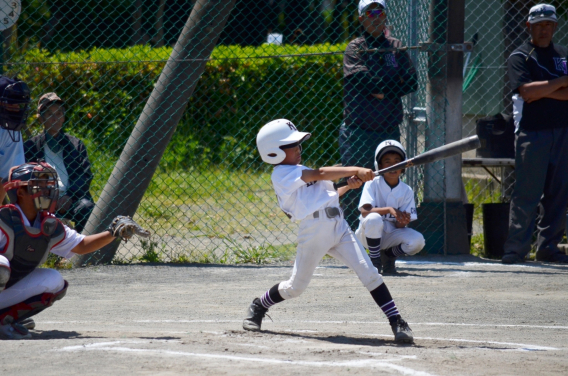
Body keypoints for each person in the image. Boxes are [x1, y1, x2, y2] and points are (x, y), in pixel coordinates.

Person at [242, 119, 414, 343]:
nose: (298, 149)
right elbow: (322, 173)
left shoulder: (299, 170)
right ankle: (259, 305)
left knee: (369, 271)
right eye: (292, 146)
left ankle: (396, 321)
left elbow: (326, 195)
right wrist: (356, 169)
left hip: (339, 226)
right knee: (295, 287)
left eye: (298, 145)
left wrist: (349, 185)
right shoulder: (281, 174)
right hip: (314, 232)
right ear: (274, 152)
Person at [0, 162, 150, 339]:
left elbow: (82, 245)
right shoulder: (5, 219)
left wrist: (112, 232)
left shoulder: (48, 224)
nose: (47, 191)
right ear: (20, 192)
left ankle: (5, 319)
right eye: (38, 186)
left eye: (48, 186)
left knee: (54, 280)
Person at [339, 0, 418, 228]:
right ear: (361, 18)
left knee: (388, 183)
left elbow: (411, 82)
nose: (376, 16)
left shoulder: (395, 46)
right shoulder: (356, 48)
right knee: (355, 185)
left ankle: (385, 237)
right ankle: (353, 238)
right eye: (370, 12)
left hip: (388, 130)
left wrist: (382, 91)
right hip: (358, 132)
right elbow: (362, 81)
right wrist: (391, 85)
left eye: (380, 11)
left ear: (385, 16)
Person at [502, 4, 568, 264]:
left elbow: (536, 92)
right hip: (532, 134)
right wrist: (562, 82)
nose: (544, 29)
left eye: (548, 24)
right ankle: (516, 250)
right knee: (527, 193)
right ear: (528, 26)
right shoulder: (521, 56)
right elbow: (526, 93)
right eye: (538, 24)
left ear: (555, 27)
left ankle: (548, 248)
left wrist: (544, 90)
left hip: (563, 131)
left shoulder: (563, 54)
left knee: (560, 192)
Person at [24, 93, 95, 233]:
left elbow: (85, 175)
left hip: (71, 197)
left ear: (63, 117)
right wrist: (48, 198)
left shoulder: (75, 145)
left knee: (86, 207)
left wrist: (69, 195)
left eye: (58, 113)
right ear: (41, 118)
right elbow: (25, 178)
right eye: (49, 114)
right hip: (42, 199)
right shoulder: (31, 147)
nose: (54, 118)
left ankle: (83, 250)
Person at [355, 140, 425, 275]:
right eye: (387, 161)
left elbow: (399, 226)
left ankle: (389, 255)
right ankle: (375, 260)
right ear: (379, 165)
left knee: (418, 241)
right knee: (374, 218)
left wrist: (402, 222)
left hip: (390, 235)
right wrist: (390, 210)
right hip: (367, 233)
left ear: (403, 166)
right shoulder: (372, 183)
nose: (393, 165)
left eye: (397, 161)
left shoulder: (406, 190)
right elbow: (365, 211)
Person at [0, 76, 31, 204]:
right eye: (11, 103)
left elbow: (4, 176)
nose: (17, 109)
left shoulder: (11, 130)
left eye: (18, 104)